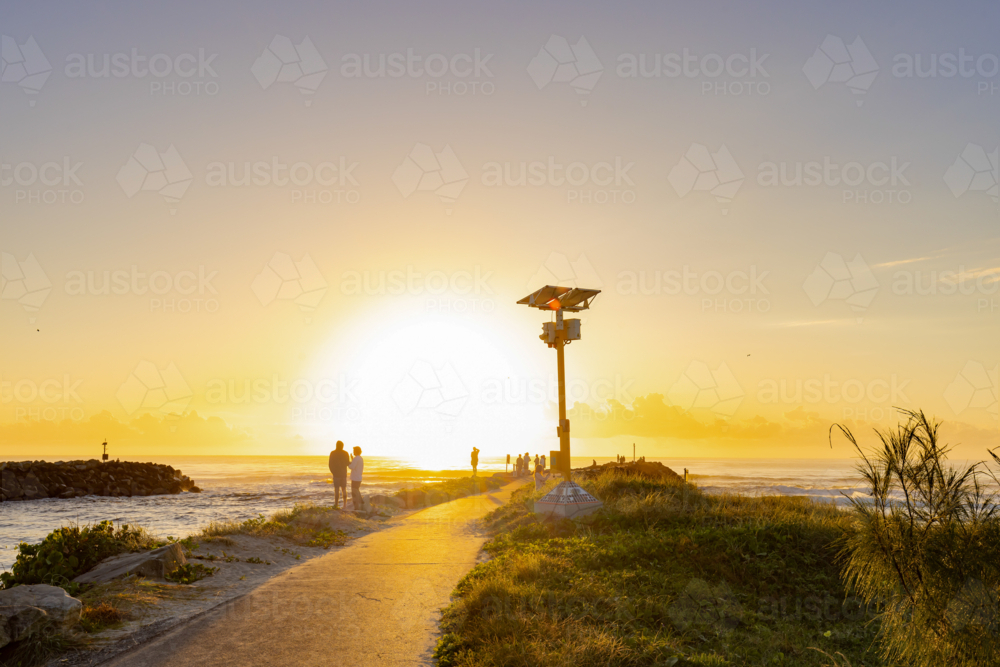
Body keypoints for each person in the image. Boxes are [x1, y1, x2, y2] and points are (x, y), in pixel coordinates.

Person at [328, 441, 350, 509]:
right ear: (342, 446)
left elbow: (330, 464)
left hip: (336, 474)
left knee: (336, 489)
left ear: (336, 445)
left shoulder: (333, 453)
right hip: (343, 474)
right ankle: (345, 505)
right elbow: (347, 463)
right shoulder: (345, 453)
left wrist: (333, 472)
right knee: (344, 489)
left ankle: (336, 505)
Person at [348, 446, 364, 510]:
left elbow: (352, 467)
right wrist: (352, 459)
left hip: (355, 478)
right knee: (357, 491)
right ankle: (361, 502)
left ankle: (356, 507)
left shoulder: (356, 458)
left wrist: (347, 463)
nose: (353, 452)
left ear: (356, 451)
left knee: (354, 493)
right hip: (358, 478)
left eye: (354, 450)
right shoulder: (360, 458)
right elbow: (355, 465)